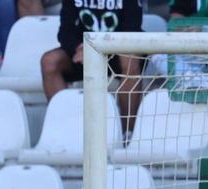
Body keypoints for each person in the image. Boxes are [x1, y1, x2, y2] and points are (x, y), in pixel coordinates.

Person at [41, 0, 143, 133]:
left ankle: (127, 134)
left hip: (118, 51)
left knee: (130, 60)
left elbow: (132, 29)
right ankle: (66, 131)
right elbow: (66, 31)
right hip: (82, 53)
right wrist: (79, 47)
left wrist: (100, 48)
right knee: (49, 61)